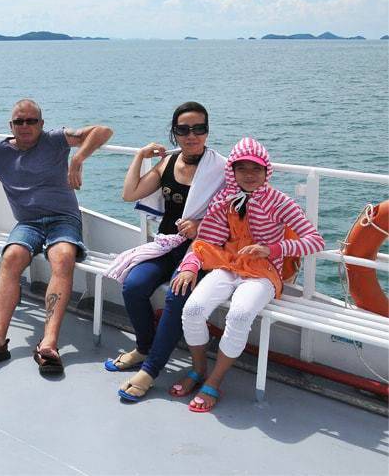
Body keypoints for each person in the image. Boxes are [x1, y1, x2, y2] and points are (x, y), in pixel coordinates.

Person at [0, 99, 113, 375]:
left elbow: (103, 131)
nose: (26, 126)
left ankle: (49, 340)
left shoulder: (55, 140)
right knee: (11, 257)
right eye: (20, 121)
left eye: (32, 121)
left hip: (63, 219)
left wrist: (77, 158)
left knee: (63, 258)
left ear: (41, 124)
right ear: (11, 125)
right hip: (28, 222)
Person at [176, 137, 324, 412]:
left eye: (256, 169)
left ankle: (215, 380)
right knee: (193, 309)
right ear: (232, 172)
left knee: (240, 315)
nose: (249, 175)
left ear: (266, 171)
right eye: (242, 169)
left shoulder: (279, 202)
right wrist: (189, 266)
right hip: (229, 264)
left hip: (263, 273)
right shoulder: (225, 200)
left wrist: (273, 249)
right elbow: (207, 240)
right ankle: (198, 368)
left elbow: (315, 240)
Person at [104, 102, 226, 401]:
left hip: (202, 250)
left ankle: (151, 369)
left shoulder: (222, 168)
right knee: (133, 286)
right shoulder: (168, 164)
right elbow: (129, 193)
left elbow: (234, 213)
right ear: (174, 133)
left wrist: (202, 223)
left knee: (175, 295)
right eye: (183, 130)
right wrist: (139, 156)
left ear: (207, 131)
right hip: (168, 243)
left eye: (199, 128)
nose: (191, 135)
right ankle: (144, 348)